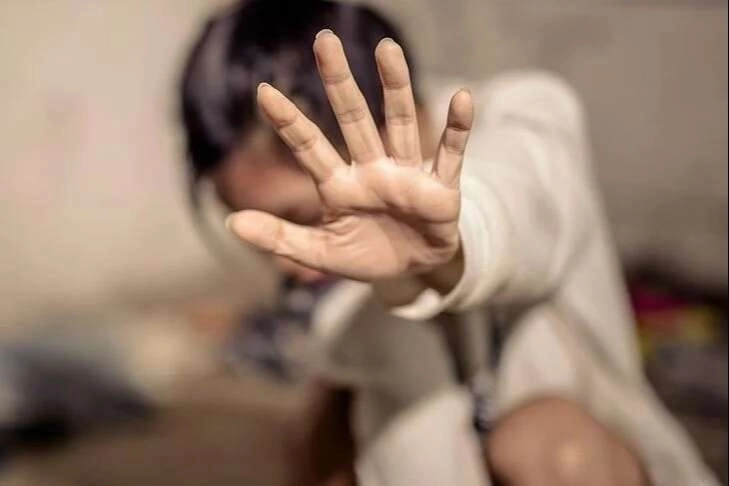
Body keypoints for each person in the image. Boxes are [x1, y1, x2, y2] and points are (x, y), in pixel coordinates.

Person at [180, 1, 719, 485]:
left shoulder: (526, 117)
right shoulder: (333, 304)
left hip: (584, 455)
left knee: (552, 446)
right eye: (261, 232)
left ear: (386, 129)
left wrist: (453, 239)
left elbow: (520, 200)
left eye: (300, 219)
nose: (289, 264)